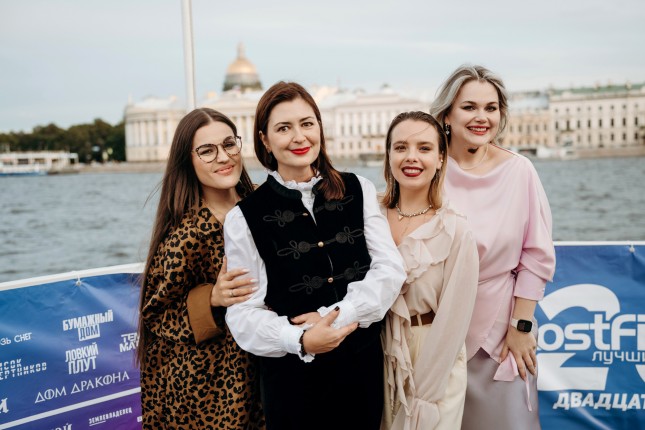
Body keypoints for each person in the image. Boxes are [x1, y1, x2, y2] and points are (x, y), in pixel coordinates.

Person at [223, 81, 407, 430]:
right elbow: (243, 314)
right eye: (283, 128)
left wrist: (337, 316)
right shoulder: (243, 218)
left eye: (307, 123)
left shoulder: (359, 189)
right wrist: (300, 339)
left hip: (361, 375)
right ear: (264, 140)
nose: (299, 137)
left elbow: (390, 270)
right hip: (291, 385)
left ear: (320, 127)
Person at [429, 64, 556, 429]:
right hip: (437, 331)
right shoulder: (428, 169)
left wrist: (521, 327)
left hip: (503, 333)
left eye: (491, 108)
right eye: (469, 107)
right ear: (447, 115)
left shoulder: (520, 170)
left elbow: (537, 256)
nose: (481, 117)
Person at [136, 108, 265, 429]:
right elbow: (156, 313)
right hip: (213, 390)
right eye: (207, 151)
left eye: (229, 144)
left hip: (269, 363)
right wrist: (211, 298)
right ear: (188, 161)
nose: (223, 157)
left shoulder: (262, 205)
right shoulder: (189, 234)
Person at [379, 111, 479, 429]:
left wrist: (425, 394)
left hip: (433, 353)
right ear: (388, 156)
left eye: (424, 148)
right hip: (375, 351)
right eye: (401, 147)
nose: (412, 157)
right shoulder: (369, 218)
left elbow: (454, 319)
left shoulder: (455, 229)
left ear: (440, 158)